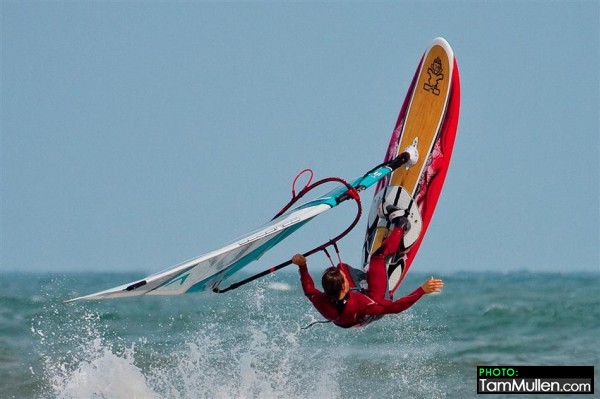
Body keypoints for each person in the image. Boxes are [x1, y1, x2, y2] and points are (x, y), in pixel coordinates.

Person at [291, 205, 444, 328]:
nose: (344, 277)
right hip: (372, 308)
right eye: (344, 279)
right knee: (377, 258)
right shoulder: (362, 304)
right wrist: (422, 290)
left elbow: (309, 289)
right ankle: (402, 225)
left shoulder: (321, 299)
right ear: (345, 287)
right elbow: (395, 308)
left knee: (341, 266)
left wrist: (302, 265)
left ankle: (372, 275)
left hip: (350, 312)